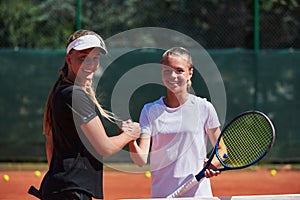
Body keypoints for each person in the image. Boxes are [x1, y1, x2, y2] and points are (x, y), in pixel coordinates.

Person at [39, 30, 140, 200]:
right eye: (83, 57)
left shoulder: (62, 92)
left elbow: (50, 144)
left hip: (64, 188)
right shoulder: (75, 95)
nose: (90, 63)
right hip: (71, 191)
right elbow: (104, 147)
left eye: (95, 58)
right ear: (69, 59)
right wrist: (130, 134)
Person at [129, 47, 227, 198]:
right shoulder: (149, 110)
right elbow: (141, 160)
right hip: (162, 195)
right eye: (167, 71)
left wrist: (212, 163)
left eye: (179, 70)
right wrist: (130, 139)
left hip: (198, 194)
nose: (172, 76)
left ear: (190, 73)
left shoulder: (204, 108)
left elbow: (222, 150)